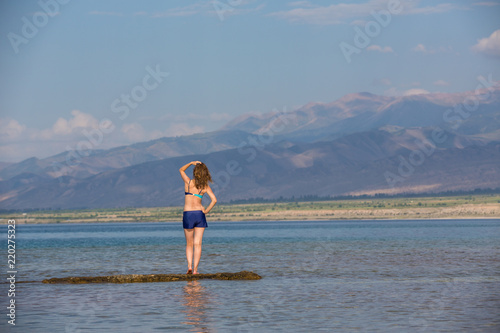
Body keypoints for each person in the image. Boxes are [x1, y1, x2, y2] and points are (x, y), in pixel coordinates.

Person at [179, 161, 217, 275]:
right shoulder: (205, 186)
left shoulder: (188, 183)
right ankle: (195, 270)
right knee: (198, 243)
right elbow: (214, 200)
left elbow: (181, 170)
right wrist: (206, 210)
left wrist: (191, 163)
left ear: (195, 172)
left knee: (189, 243)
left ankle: (189, 267)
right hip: (199, 214)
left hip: (188, 214)